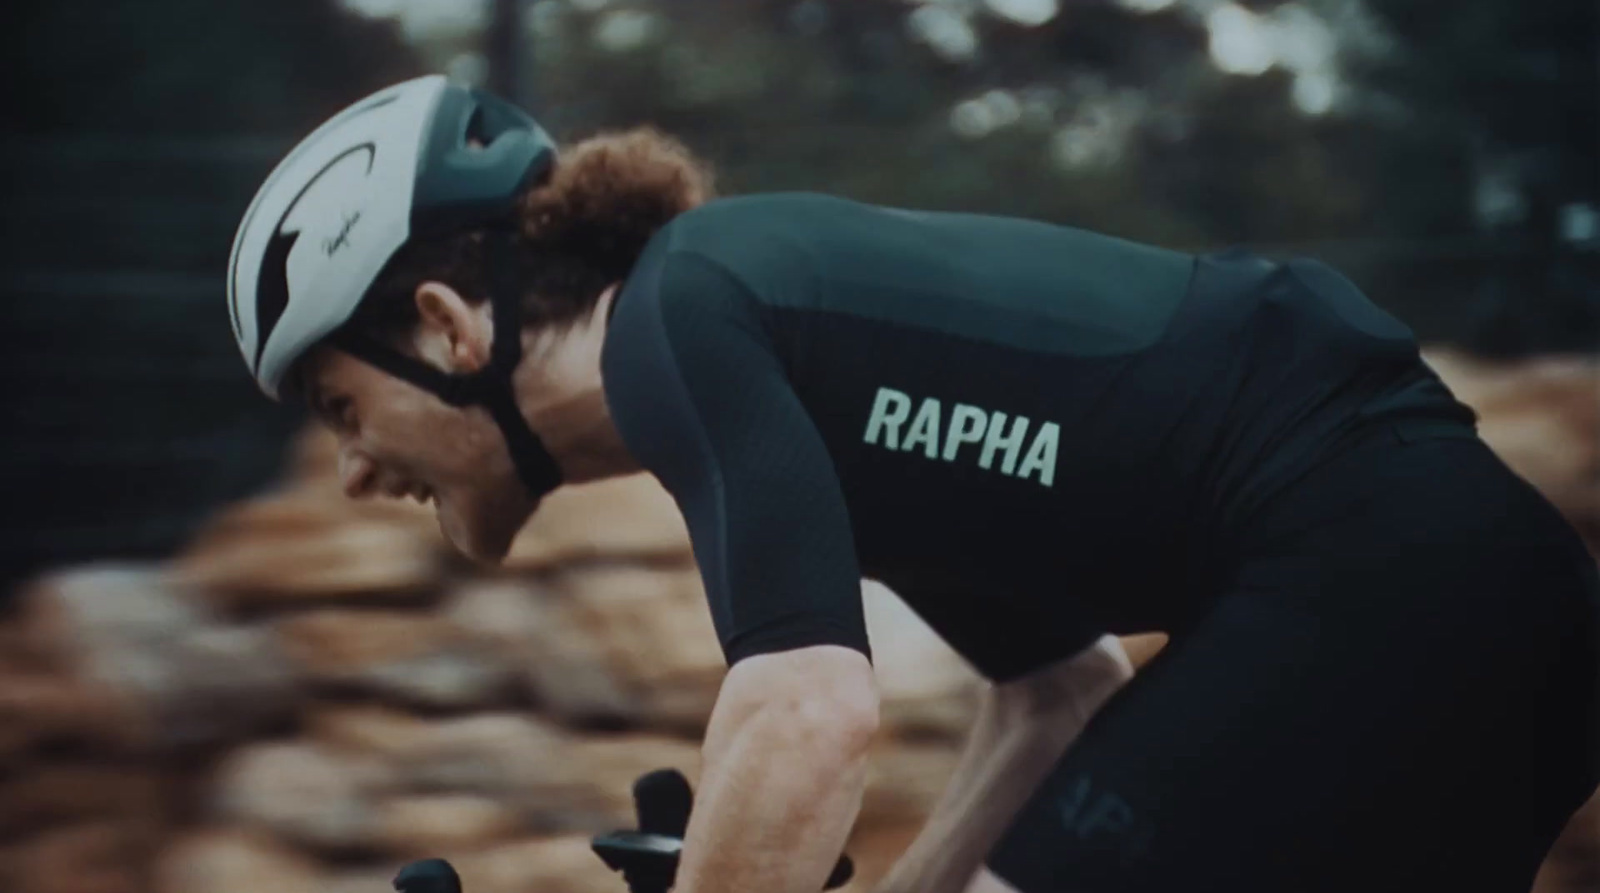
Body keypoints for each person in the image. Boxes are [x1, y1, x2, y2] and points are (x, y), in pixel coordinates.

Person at [228, 76, 1599, 893]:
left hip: (1367, 566)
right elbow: (1060, 697)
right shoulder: (786, 342)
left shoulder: (678, 325)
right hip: (1487, 594)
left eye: (345, 406)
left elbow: (804, 709)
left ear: (448, 327)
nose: (350, 472)